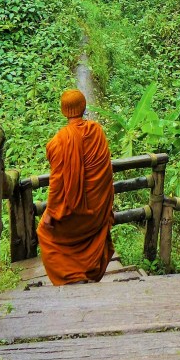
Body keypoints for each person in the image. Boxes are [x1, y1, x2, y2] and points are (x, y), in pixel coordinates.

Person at [37, 89, 115, 286]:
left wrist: (50, 213)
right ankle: (86, 272)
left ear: (64, 111)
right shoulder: (97, 132)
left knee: (45, 233)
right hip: (96, 212)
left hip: (73, 214)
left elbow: (56, 182)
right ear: (83, 107)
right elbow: (105, 174)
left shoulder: (59, 142)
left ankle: (70, 277)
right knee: (89, 238)